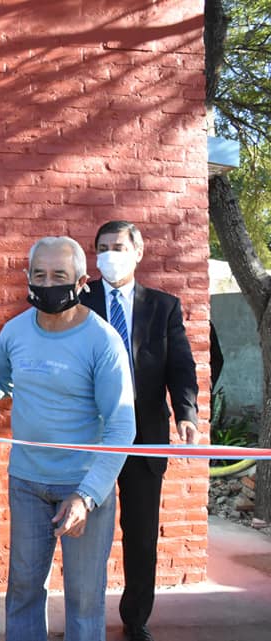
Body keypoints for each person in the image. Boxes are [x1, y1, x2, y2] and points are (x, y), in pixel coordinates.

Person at [0, 236, 136, 641]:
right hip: (27, 482)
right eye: (39, 275)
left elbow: (122, 426)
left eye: (59, 276)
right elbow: (0, 383)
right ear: (27, 278)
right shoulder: (14, 332)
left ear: (81, 282)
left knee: (84, 599)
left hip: (83, 488)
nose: (48, 284)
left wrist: (87, 496)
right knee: (24, 592)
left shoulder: (103, 341)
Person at [79, 221, 199, 641]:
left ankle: (135, 618)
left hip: (144, 434)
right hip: (90, 435)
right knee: (84, 530)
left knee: (142, 534)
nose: (110, 255)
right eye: (103, 248)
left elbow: (180, 366)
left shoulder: (163, 307)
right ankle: (84, 615)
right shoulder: (79, 300)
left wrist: (186, 413)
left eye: (118, 246)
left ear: (138, 252)